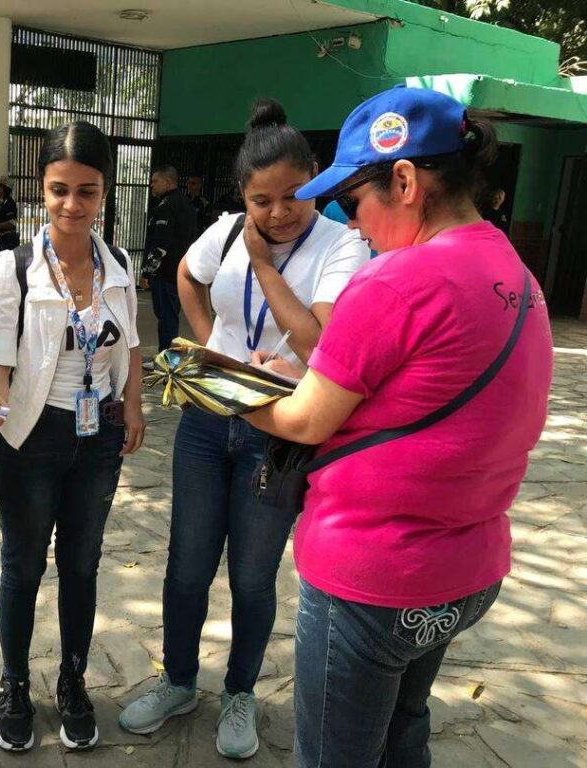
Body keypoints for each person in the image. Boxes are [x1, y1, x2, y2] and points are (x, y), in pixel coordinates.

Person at [243, 87, 552, 768]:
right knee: (403, 734)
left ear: (405, 181)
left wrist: (230, 393)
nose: (351, 226)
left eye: (354, 203)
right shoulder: (516, 275)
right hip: (464, 573)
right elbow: (422, 394)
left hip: (374, 575)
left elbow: (302, 419)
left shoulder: (395, 281)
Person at [119, 99, 369, 759]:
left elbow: (319, 340)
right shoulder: (227, 230)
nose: (278, 212)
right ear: (243, 196)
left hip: (279, 434)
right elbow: (186, 277)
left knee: (254, 577)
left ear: (316, 179)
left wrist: (263, 263)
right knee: (186, 567)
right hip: (208, 422)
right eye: (262, 201)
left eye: (292, 196)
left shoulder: (343, 247)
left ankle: (239, 694)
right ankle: (178, 681)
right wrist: (215, 350)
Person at [0, 121, 147, 753]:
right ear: (40, 191)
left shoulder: (119, 262)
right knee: (22, 567)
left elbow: (129, 344)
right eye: (58, 190)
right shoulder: (11, 268)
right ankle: (15, 682)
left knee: (81, 565)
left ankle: (72, 680)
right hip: (32, 436)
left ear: (105, 194)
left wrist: (131, 408)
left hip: (97, 433)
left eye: (87, 191)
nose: (72, 205)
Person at [141, 164, 197, 364]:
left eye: (155, 181)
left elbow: (160, 246)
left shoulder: (166, 207)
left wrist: (146, 272)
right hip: (181, 271)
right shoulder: (188, 205)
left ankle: (165, 360)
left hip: (165, 273)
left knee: (166, 317)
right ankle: (166, 356)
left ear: (168, 182)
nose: (151, 185)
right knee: (169, 315)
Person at [0, 174, 20, 251]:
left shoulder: (10, 203)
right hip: (0, 239)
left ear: (2, 188)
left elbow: (12, 223)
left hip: (9, 240)